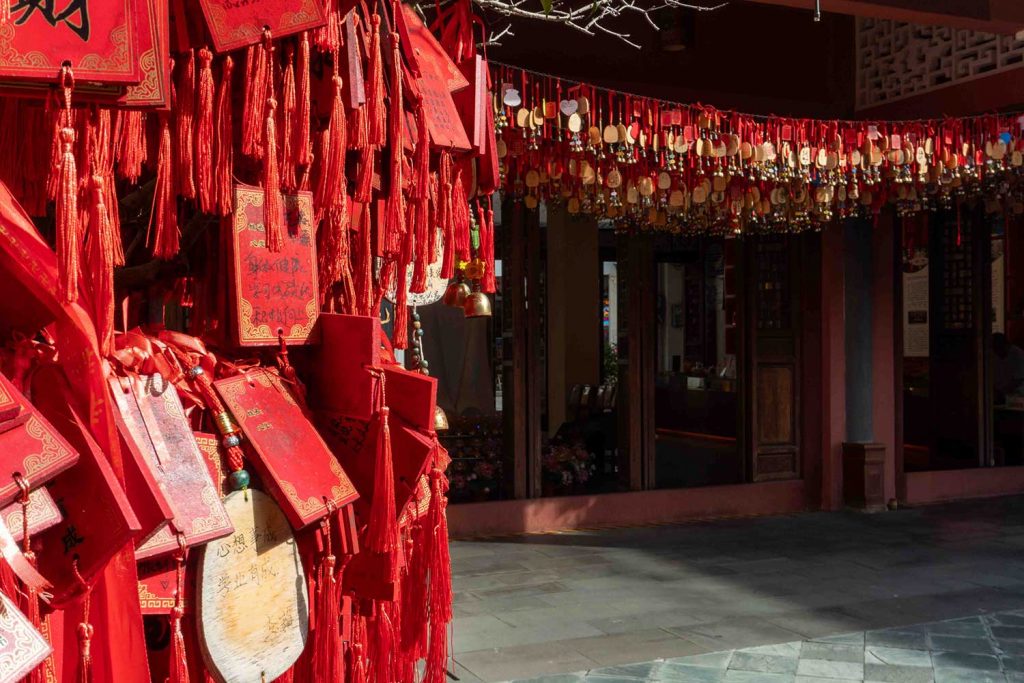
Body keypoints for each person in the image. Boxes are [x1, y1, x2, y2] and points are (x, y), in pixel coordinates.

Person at [993, 333, 1024, 402]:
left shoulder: (1018, 355)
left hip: (1017, 396)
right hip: (1000, 394)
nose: (997, 352)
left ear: (1006, 345)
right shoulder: (994, 356)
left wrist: (1003, 391)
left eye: (999, 349)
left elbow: (1018, 380)